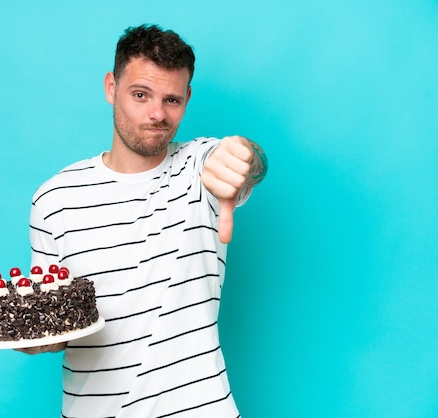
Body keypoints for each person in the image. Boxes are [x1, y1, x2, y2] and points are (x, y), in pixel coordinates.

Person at [18, 24, 267, 417]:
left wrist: (244, 158)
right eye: (140, 94)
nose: (157, 114)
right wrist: (36, 337)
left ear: (187, 98)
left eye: (172, 100)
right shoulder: (54, 199)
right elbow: (53, 323)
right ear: (111, 88)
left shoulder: (198, 168)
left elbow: (240, 161)